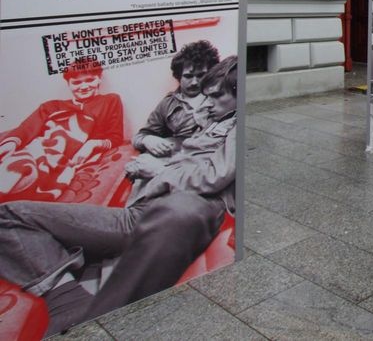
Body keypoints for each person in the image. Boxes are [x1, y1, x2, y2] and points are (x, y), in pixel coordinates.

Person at [0, 56, 238, 335]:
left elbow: (214, 176)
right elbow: (160, 141)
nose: (206, 99)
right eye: (191, 79)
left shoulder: (237, 124)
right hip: (141, 209)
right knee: (9, 213)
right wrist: (150, 153)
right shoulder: (205, 114)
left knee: (10, 216)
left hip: (157, 210)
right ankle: (67, 296)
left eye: (215, 95)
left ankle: (67, 298)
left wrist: (157, 170)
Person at [0, 57, 124, 200]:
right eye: (76, 82)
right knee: (16, 166)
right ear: (68, 84)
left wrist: (92, 144)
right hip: (38, 150)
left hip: (65, 159)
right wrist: (9, 144)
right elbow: (26, 129)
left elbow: (115, 137)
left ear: (99, 78)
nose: (84, 87)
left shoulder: (110, 101)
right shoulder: (51, 106)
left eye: (90, 80)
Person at [133, 40, 220, 157]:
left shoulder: (221, 97)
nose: (194, 82)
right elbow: (140, 136)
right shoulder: (167, 104)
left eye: (200, 75)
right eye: (188, 76)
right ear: (178, 76)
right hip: (180, 159)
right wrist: (148, 140)